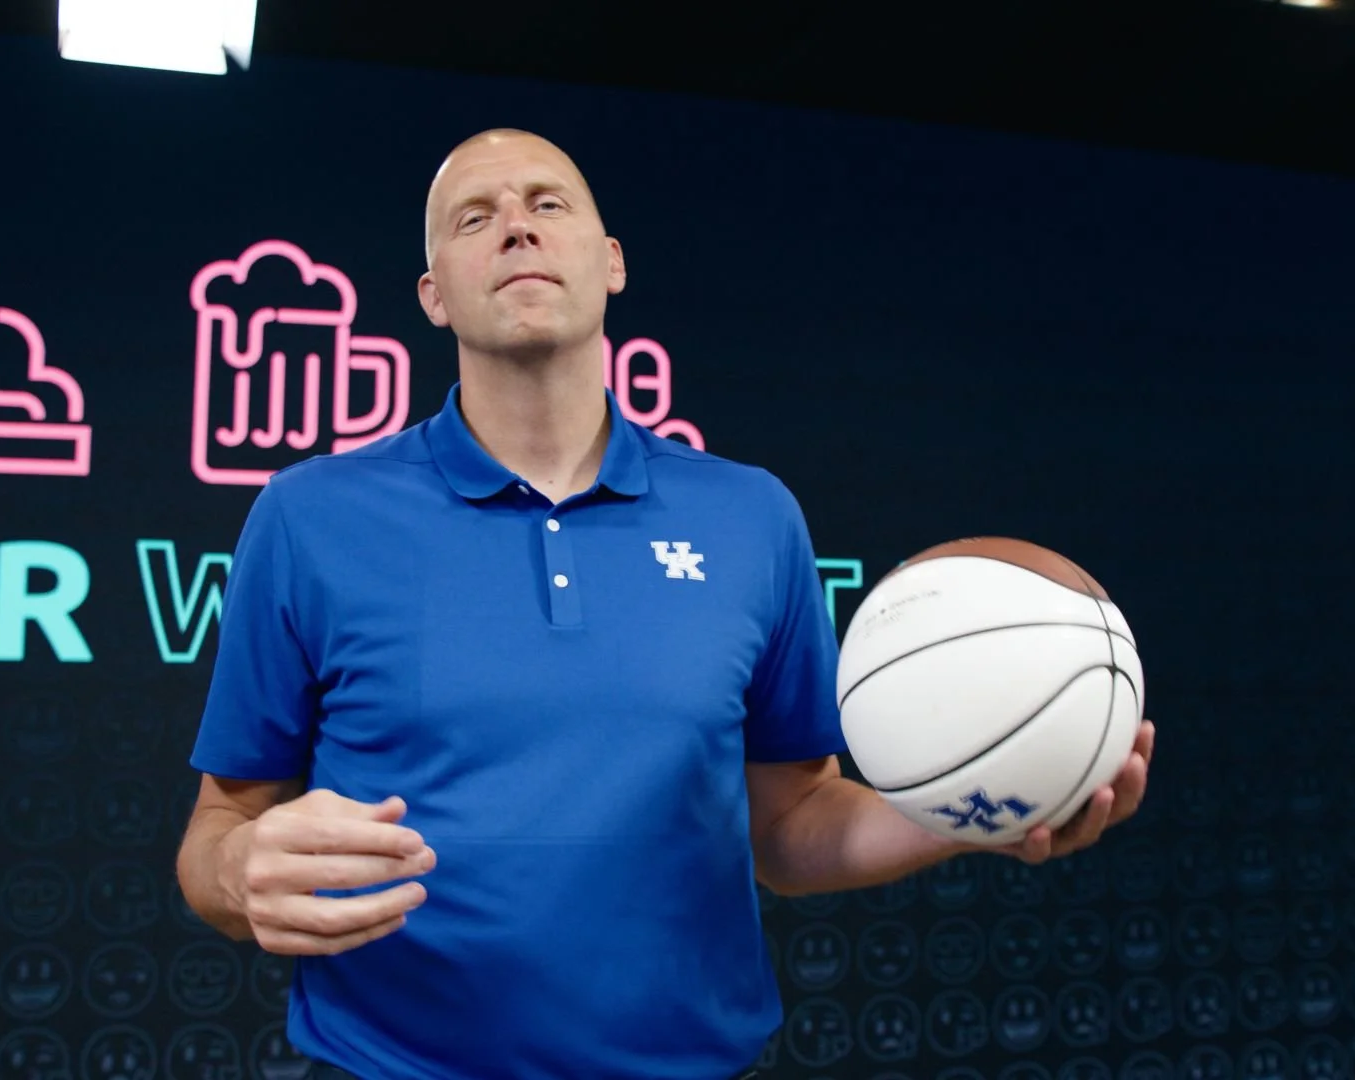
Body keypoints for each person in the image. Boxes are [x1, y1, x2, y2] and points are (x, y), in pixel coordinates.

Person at [174, 128, 1155, 1080]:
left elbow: (789, 821)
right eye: (473, 217)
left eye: (545, 203)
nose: (515, 226)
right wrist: (237, 875)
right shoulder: (310, 515)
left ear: (610, 263)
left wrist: (976, 803)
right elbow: (220, 825)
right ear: (433, 296)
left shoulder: (751, 515)